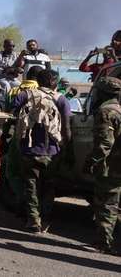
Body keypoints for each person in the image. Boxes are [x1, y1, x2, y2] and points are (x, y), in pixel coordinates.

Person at [11, 69, 69, 232]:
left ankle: (33, 220)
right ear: (54, 82)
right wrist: (65, 147)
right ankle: (45, 220)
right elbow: (66, 127)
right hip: (52, 152)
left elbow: (12, 115)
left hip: (29, 150)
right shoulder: (61, 99)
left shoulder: (25, 95)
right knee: (49, 187)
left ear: (38, 81)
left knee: (31, 185)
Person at [83, 76, 121, 254]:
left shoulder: (106, 112)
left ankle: (103, 242)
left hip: (111, 167)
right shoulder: (119, 110)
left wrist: (92, 162)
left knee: (106, 203)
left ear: (103, 93)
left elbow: (104, 143)